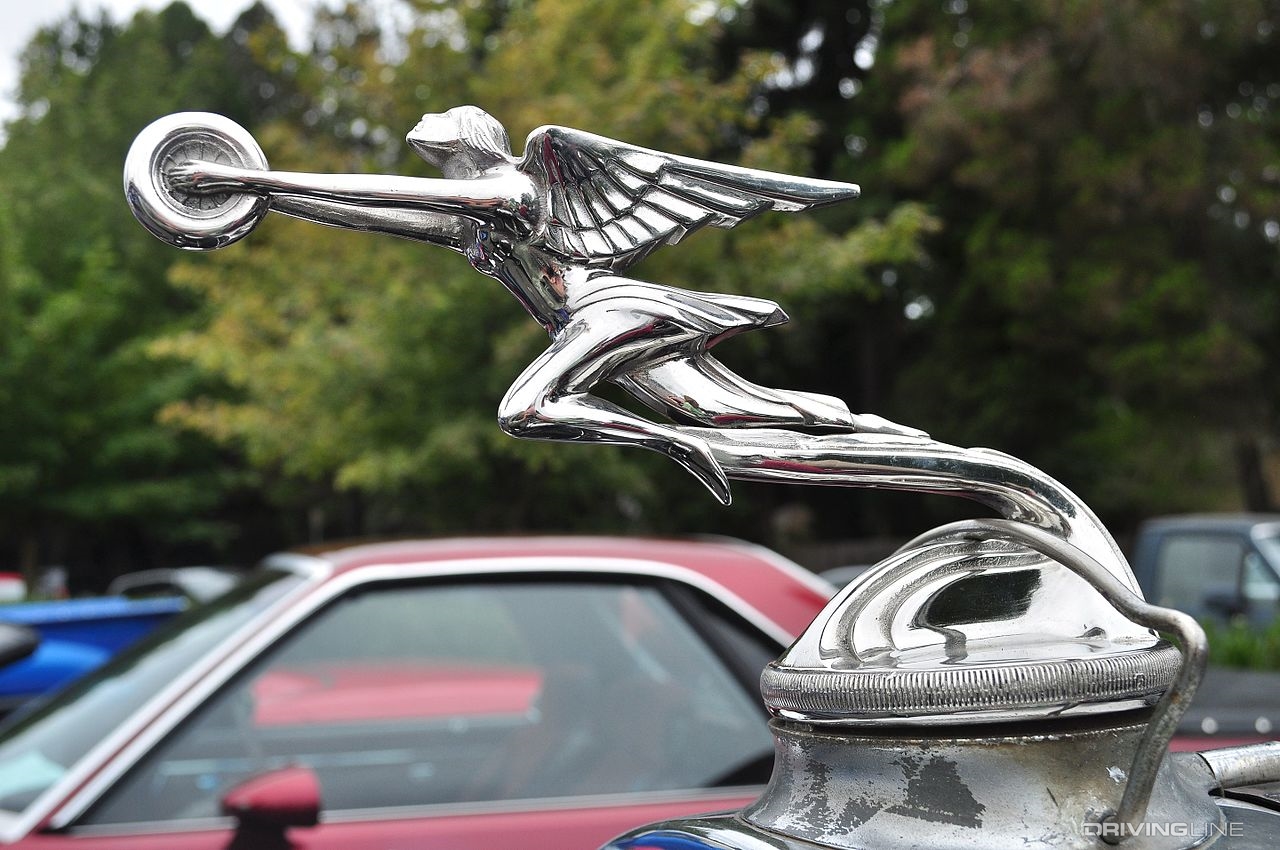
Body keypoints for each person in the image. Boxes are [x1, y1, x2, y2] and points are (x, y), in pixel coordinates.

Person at [171, 106, 924, 503]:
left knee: (523, 411)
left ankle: (669, 445)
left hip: (611, 311)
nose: (425, 133)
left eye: (439, 123)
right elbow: (365, 211)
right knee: (737, 411)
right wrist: (262, 192)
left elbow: (389, 190)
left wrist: (257, 184)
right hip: (600, 325)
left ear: (467, 137)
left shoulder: (512, 186)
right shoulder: (472, 220)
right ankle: (914, 448)